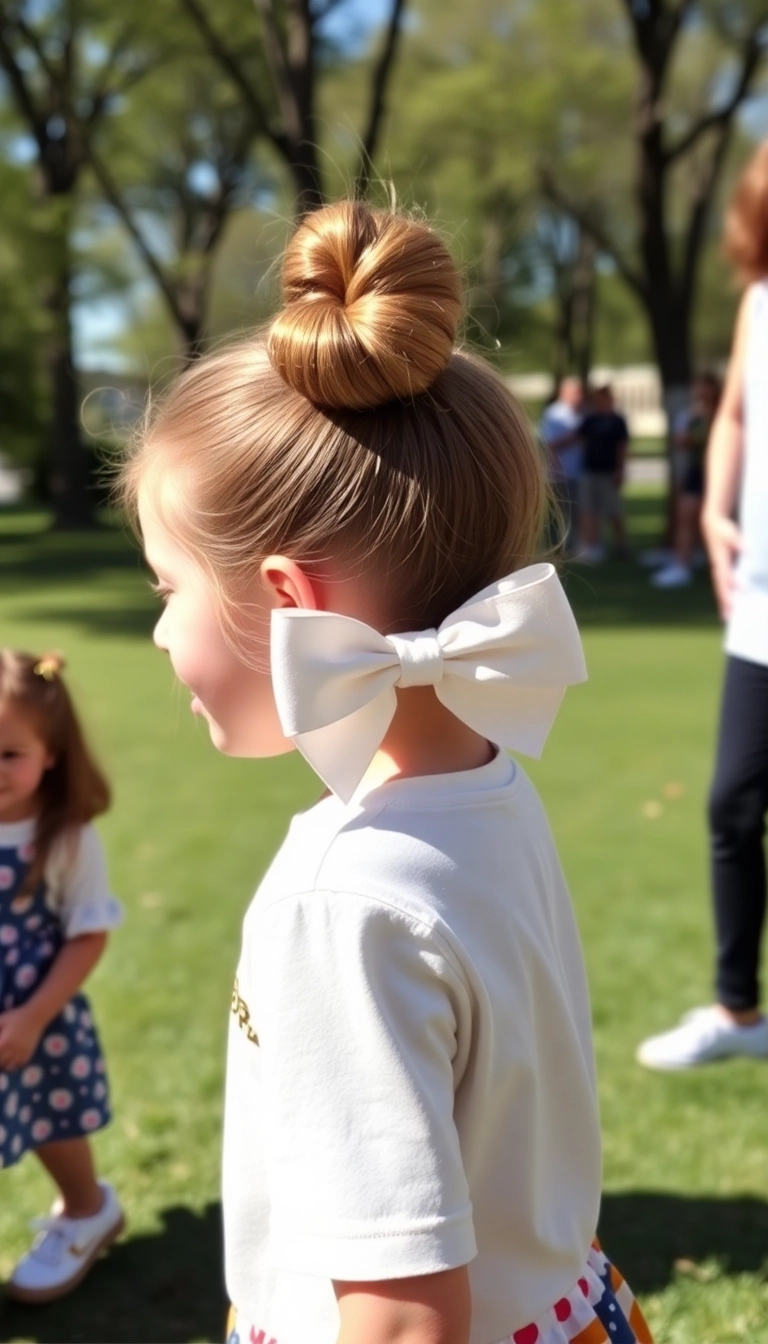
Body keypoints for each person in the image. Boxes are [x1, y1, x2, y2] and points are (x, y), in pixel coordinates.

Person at [124, 200, 654, 1344]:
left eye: (167, 590)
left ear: (287, 599)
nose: (160, 635)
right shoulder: (491, 788)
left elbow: (406, 1318)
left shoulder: (343, 901)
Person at [638, 139, 768, 1069]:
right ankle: (739, 1016)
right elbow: (734, 416)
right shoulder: (760, 303)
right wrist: (718, 513)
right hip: (761, 601)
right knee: (732, 804)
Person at [0, 651, 124, 1300]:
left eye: (9, 753)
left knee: (52, 1119)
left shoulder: (65, 839)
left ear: (50, 752)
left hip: (34, 1016)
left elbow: (88, 933)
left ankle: (86, 1209)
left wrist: (32, 1015)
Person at [650, 373, 721, 589]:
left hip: (717, 472)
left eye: (704, 386)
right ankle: (682, 565)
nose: (700, 391)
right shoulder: (693, 415)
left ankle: (717, 566)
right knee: (686, 515)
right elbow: (681, 442)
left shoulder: (722, 413)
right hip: (697, 470)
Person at [576, 385, 630, 563]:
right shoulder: (590, 419)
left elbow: (622, 447)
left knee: (613, 510)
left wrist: (620, 470)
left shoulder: (617, 421)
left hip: (608, 471)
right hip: (590, 470)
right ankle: (591, 544)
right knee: (588, 509)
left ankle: (621, 543)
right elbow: (578, 436)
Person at [539, 376, 584, 554]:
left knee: (574, 511)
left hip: (575, 470)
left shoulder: (577, 413)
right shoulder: (556, 414)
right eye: (576, 392)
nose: (579, 396)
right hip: (561, 472)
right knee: (561, 512)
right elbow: (550, 444)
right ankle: (559, 546)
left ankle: (572, 544)